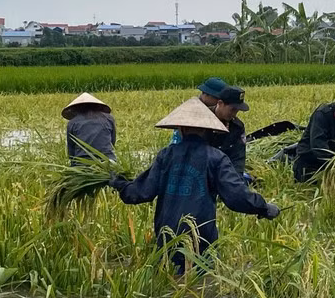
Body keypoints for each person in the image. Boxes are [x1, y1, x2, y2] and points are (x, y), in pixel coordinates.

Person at [108, 97, 279, 274]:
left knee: (169, 282)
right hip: (200, 238)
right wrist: (263, 207)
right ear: (208, 130)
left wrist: (119, 183)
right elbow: (236, 196)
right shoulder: (216, 158)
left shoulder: (166, 155)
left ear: (180, 129)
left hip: (167, 237)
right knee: (201, 287)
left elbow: (140, 192)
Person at [171, 82, 250, 181]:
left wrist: (236, 180)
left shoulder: (237, 127)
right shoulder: (200, 121)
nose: (234, 114)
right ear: (220, 103)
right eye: (232, 109)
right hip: (196, 171)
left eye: (237, 110)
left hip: (223, 172)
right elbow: (186, 152)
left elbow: (238, 157)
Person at [62, 92, 117, 166]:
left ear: (77, 107)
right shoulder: (109, 118)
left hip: (82, 163)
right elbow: (112, 142)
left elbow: (71, 151)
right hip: (107, 161)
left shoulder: (73, 122)